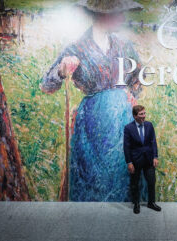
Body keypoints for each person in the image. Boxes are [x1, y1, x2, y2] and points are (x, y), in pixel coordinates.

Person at [40, 0, 143, 201]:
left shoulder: (124, 46)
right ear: (103, 15)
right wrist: (61, 71)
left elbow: (139, 76)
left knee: (122, 174)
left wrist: (130, 96)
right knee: (91, 178)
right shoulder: (77, 47)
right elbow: (47, 85)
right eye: (118, 13)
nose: (122, 18)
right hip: (91, 124)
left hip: (122, 121)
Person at [123, 105, 161, 214]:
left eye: (144, 113)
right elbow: (126, 146)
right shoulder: (128, 128)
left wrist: (155, 156)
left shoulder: (149, 125)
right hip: (135, 160)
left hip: (149, 159)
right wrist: (129, 162)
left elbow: (153, 142)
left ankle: (151, 202)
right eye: (141, 114)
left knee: (151, 181)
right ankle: (136, 204)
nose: (144, 116)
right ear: (135, 116)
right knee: (135, 183)